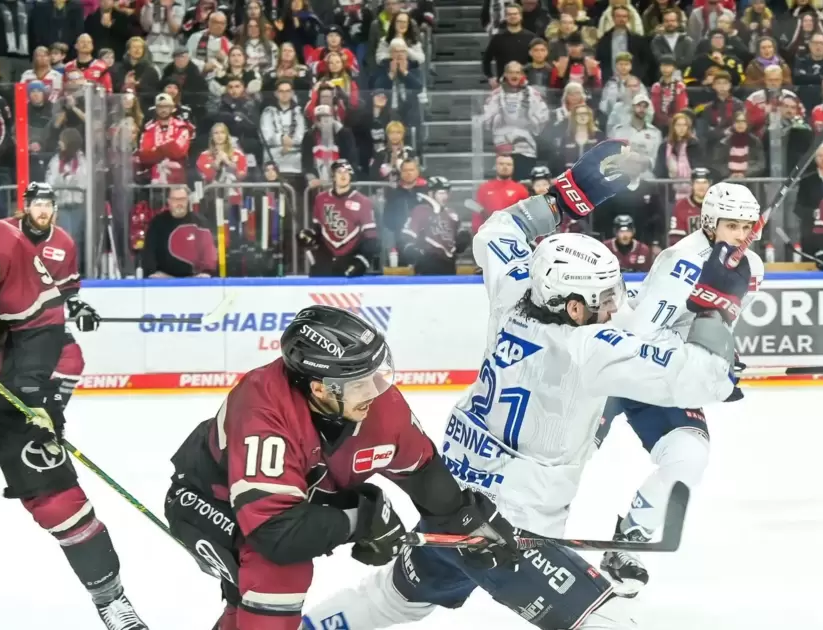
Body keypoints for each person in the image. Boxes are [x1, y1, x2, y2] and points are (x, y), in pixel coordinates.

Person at [303, 139, 742, 630]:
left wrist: (565, 197)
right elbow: (707, 379)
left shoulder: (513, 291)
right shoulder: (590, 349)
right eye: (603, 298)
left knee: (393, 599)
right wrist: (717, 303)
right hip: (512, 534)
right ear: (574, 307)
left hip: (451, 505)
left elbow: (498, 229)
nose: (615, 307)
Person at [0, 139, 147, 630]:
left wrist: (35, 392)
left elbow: (40, 323)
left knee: (63, 499)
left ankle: (112, 601)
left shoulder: (1, 241)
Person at [165, 305, 516, 630]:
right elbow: (275, 534)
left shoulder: (376, 406)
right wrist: (361, 521)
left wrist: (467, 522)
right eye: (362, 383)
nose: (376, 391)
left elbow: (424, 472)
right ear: (320, 388)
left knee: (243, 604)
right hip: (212, 500)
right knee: (277, 574)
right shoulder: (263, 411)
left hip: (295, 501)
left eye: (377, 374)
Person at [597, 179, 764, 594]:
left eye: (747, 227)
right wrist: (698, 363)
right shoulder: (683, 260)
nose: (741, 236)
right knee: (567, 454)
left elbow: (716, 326)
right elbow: (639, 335)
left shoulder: (751, 266)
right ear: (710, 222)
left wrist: (720, 354)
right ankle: (518, 519)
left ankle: (628, 542)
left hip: (664, 376)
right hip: (615, 367)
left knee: (690, 454)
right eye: (732, 226)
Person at [4, 182, 97, 405]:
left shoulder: (64, 242)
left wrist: (77, 305)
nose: (43, 210)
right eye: (37, 204)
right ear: (26, 206)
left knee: (72, 360)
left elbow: (67, 288)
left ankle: (52, 415)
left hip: (42, 323)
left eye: (48, 205)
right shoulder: (4, 232)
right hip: (3, 321)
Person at [300, 159, 378, 276]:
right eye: (339, 172)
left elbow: (371, 238)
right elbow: (318, 230)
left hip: (351, 255)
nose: (343, 175)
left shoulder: (363, 202)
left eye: (347, 172)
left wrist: (361, 261)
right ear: (333, 176)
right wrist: (309, 236)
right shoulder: (321, 199)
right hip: (326, 256)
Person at [400, 176, 471, 275]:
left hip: (449, 263)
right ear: (430, 193)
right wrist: (411, 248)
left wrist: (463, 238)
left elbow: (459, 234)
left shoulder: (451, 213)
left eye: (446, 193)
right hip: (427, 263)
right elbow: (408, 235)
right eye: (441, 193)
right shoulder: (420, 210)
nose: (445, 196)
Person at [667, 167, 711, 246]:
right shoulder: (680, 206)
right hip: (690, 252)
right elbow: (675, 239)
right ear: (692, 184)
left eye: (704, 182)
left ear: (710, 184)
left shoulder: (718, 204)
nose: (701, 186)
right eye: (697, 182)